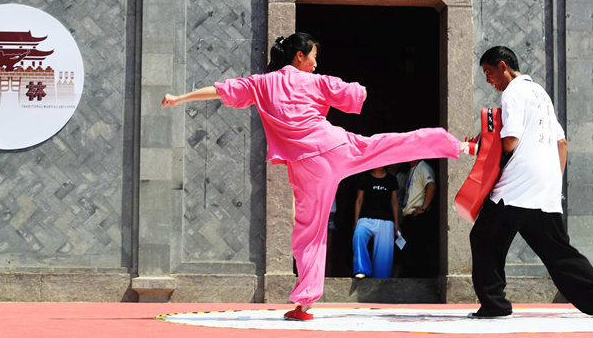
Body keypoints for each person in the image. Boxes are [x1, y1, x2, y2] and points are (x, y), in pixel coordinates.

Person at [162, 32, 469, 321]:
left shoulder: (261, 83)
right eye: (313, 57)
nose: (315, 63)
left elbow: (220, 90)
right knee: (388, 146)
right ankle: (455, 145)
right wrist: (366, 84)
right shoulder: (315, 81)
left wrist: (178, 98)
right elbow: (356, 94)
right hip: (333, 148)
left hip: (305, 167)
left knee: (308, 230)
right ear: (299, 56)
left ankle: (305, 302)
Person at [468, 46, 593, 318]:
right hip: (546, 187)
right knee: (558, 251)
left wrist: (481, 145)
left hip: (516, 187)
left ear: (503, 66)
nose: (488, 80)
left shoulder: (513, 92)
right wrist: (553, 183)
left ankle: (494, 304)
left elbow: (510, 141)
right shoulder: (540, 93)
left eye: (489, 72)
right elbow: (561, 143)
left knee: (483, 238)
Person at [351, 166, 399, 279]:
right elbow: (359, 200)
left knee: (384, 254)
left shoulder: (391, 179)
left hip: (386, 220)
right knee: (358, 234)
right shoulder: (364, 178)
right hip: (366, 218)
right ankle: (361, 269)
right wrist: (356, 222)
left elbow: (394, 202)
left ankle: (380, 280)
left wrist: (396, 224)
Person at [399, 158, 439, 277]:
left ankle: (419, 277)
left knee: (417, 250)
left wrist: (423, 208)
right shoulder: (411, 171)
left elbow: (431, 186)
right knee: (409, 251)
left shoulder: (423, 167)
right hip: (408, 215)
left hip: (418, 216)